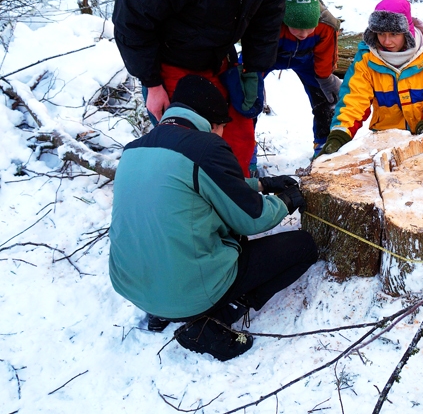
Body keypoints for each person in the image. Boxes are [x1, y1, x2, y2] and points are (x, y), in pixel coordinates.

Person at [109, 75, 316, 361]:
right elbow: (252, 218)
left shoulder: (135, 149)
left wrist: (262, 185)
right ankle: (215, 317)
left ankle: (160, 311)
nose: (220, 135)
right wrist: (285, 201)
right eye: (221, 129)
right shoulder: (205, 146)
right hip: (186, 291)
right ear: (212, 123)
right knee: (304, 246)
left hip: (132, 285)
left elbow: (194, 184)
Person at [112, 0, 287, 177]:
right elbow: (131, 23)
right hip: (171, 60)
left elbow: (268, 15)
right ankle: (196, 210)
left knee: (239, 135)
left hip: (219, 55)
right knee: (189, 147)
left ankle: (239, 198)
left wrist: (255, 69)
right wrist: (152, 83)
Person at [320, 0, 423, 156]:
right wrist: (339, 135)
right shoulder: (366, 59)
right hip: (391, 133)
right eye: (381, 34)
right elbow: (353, 101)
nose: (386, 41)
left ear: (406, 32)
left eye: (393, 34)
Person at [258, 0, 341, 158]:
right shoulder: (272, 22)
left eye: (308, 28)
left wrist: (326, 79)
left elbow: (325, 59)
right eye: (297, 27)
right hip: (272, 56)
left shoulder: (326, 26)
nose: (303, 33)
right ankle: (246, 152)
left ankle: (323, 143)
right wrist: (251, 79)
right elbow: (258, 57)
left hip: (307, 58)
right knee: (247, 98)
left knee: (324, 98)